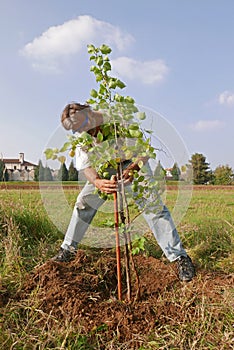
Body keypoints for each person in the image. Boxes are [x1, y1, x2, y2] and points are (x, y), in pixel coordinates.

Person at [52, 102, 195, 282]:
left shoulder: (119, 118)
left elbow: (144, 151)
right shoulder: (83, 136)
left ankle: (179, 257)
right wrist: (97, 181)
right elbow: (85, 166)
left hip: (133, 162)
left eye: (85, 125)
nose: (86, 132)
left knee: (153, 206)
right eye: (79, 129)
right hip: (106, 167)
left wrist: (134, 168)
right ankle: (68, 250)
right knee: (84, 202)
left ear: (89, 112)